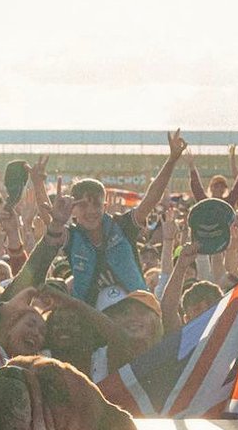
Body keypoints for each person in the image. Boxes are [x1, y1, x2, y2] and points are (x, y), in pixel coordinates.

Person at [65, 130, 187, 308]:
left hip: (137, 314)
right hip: (90, 323)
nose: (91, 211)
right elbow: (50, 225)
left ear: (105, 207)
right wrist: (38, 186)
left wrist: (172, 160)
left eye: (97, 205)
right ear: (73, 209)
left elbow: (150, 199)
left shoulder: (122, 226)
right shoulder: (71, 237)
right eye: (83, 205)